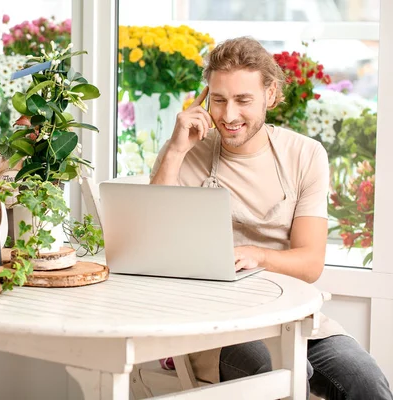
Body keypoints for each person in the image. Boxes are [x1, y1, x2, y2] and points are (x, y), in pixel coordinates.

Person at [150, 36, 392, 400]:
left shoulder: (305, 155)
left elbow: (310, 263)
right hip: (215, 327)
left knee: (366, 383)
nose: (229, 115)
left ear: (271, 95)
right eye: (218, 99)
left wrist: (257, 255)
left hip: (296, 321)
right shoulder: (186, 151)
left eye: (243, 100)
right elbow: (153, 239)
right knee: (277, 374)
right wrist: (175, 151)